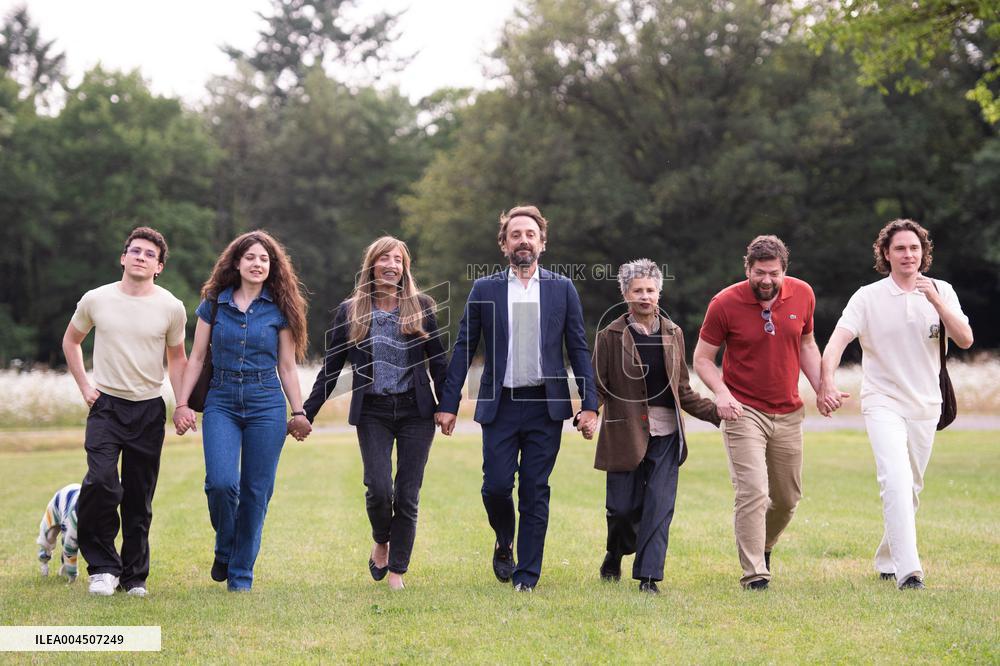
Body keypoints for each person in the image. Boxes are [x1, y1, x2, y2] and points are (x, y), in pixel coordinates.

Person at [435, 204, 599, 592]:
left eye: (530, 234)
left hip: (546, 406)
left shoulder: (562, 289)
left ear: (542, 242)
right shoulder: (485, 289)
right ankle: (504, 540)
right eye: (515, 235)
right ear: (503, 244)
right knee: (495, 486)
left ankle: (527, 575)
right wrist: (448, 404)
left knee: (534, 489)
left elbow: (578, 347)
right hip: (501, 405)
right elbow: (464, 346)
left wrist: (590, 404)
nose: (523, 240)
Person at [818, 219, 972, 590]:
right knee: (896, 480)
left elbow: (965, 339)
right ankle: (909, 570)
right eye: (900, 248)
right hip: (882, 401)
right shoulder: (867, 297)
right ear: (886, 254)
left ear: (924, 253)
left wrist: (935, 300)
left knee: (911, 486)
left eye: (914, 248)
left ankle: (889, 557)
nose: (908, 255)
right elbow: (837, 342)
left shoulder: (943, 291)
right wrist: (827, 382)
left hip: (926, 404)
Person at [300, 236, 447, 591]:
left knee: (408, 494)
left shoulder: (422, 306)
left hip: (416, 411)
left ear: (404, 268)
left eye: (397, 260)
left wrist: (447, 407)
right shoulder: (350, 311)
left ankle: (397, 571)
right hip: (373, 411)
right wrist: (306, 413)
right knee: (379, 488)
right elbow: (331, 368)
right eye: (384, 258)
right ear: (372, 265)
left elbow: (439, 362)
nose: (391, 265)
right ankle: (381, 539)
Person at [173, 230, 309, 593]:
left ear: (272, 266)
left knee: (256, 491)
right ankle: (225, 547)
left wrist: (298, 411)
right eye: (250, 257)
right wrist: (182, 404)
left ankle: (240, 575)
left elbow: (287, 366)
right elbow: (196, 358)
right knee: (221, 483)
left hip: (266, 402)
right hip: (221, 400)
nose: (257, 264)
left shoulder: (280, 309)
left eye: (264, 259)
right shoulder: (214, 304)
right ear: (236, 262)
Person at [692, 235, 829, 590]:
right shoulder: (724, 303)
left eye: (773, 273)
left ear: (784, 271)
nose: (766, 280)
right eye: (759, 273)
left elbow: (807, 344)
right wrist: (722, 393)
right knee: (752, 491)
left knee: (786, 499)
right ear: (748, 269)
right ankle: (755, 574)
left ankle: (764, 545)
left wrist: (822, 387)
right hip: (743, 411)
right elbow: (702, 359)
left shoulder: (803, 294)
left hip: (788, 411)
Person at [63, 226, 188, 597]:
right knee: (102, 482)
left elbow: (177, 358)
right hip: (106, 407)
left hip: (149, 409)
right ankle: (102, 569)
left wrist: (181, 403)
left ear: (159, 267)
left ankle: (134, 577)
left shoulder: (171, 307)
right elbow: (71, 341)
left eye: (150, 254)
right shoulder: (96, 299)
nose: (141, 257)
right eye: (135, 251)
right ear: (123, 257)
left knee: (138, 496)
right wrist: (85, 387)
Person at [591, 259, 722, 594]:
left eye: (650, 290)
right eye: (638, 291)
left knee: (659, 506)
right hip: (624, 433)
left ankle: (649, 578)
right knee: (621, 509)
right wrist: (589, 412)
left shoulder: (674, 333)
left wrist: (717, 413)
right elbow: (598, 386)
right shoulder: (609, 335)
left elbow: (682, 390)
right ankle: (615, 552)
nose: (645, 296)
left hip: (666, 434)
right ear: (625, 294)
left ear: (659, 294)